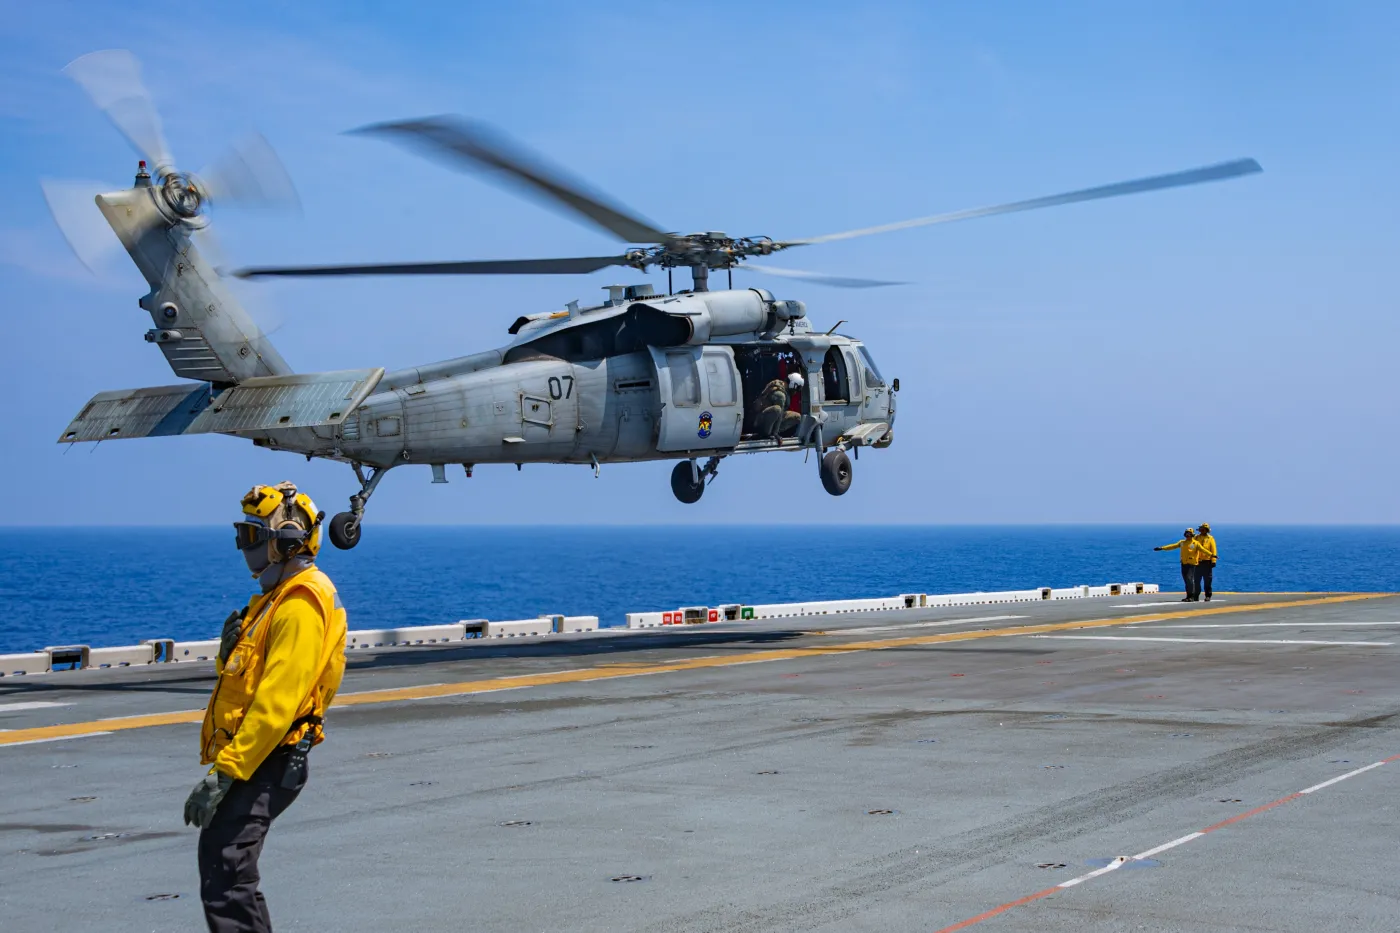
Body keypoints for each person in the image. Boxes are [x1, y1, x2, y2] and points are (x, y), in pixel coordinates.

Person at [185, 482, 348, 932]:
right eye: (242, 535)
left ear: (288, 539)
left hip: (268, 758)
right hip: (258, 757)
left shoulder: (300, 604)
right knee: (224, 866)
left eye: (252, 536)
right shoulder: (276, 599)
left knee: (228, 871)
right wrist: (227, 652)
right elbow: (249, 676)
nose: (244, 547)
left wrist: (226, 771)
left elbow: (278, 701)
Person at [1154, 528, 1202, 601]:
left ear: (1192, 535)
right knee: (1186, 580)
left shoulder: (1195, 543)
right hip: (1184, 563)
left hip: (1192, 564)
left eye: (1189, 534)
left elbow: (1203, 550)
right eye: (1186, 534)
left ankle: (1192, 596)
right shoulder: (1182, 542)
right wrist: (1162, 548)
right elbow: (1173, 546)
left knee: (1189, 579)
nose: (1188, 535)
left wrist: (1212, 555)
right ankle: (1188, 596)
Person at [1195, 522, 1218, 601]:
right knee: (1196, 580)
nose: (1203, 530)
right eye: (1202, 529)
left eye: (1205, 529)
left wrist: (1213, 561)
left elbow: (1213, 550)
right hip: (1197, 562)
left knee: (1207, 581)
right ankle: (1196, 595)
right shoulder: (1196, 537)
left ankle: (1208, 595)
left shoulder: (1210, 538)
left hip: (1207, 562)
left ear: (1207, 530)